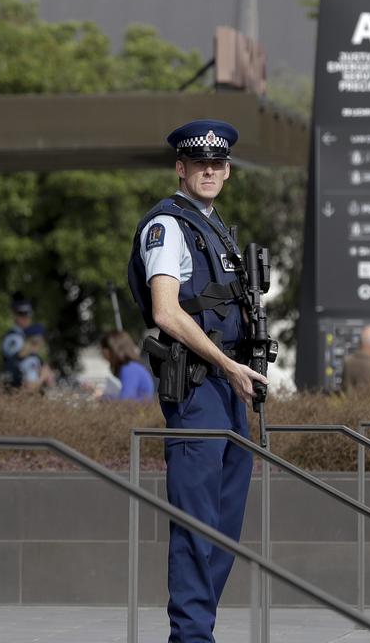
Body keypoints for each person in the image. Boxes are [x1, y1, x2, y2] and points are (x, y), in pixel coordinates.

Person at [126, 119, 269, 642]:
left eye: (218, 164)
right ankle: (190, 637)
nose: (209, 171)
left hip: (229, 386)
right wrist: (229, 366)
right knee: (196, 525)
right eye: (198, 164)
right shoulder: (167, 226)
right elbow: (166, 311)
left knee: (224, 527)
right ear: (180, 168)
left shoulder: (215, 227)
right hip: (198, 388)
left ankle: (198, 632)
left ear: (227, 171)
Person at [100, 330, 155, 401]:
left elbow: (126, 400)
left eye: (103, 349)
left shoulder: (129, 368)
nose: (102, 353)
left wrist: (104, 398)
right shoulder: (131, 367)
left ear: (111, 349)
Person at [1, 296, 34, 387]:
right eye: (23, 316)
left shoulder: (22, 335)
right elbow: (14, 359)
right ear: (16, 316)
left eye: (27, 316)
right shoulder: (13, 337)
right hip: (16, 383)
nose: (27, 319)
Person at [17, 323, 54, 391]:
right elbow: (30, 387)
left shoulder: (23, 356)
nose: (43, 343)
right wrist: (43, 376)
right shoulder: (31, 359)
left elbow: (51, 381)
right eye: (43, 338)